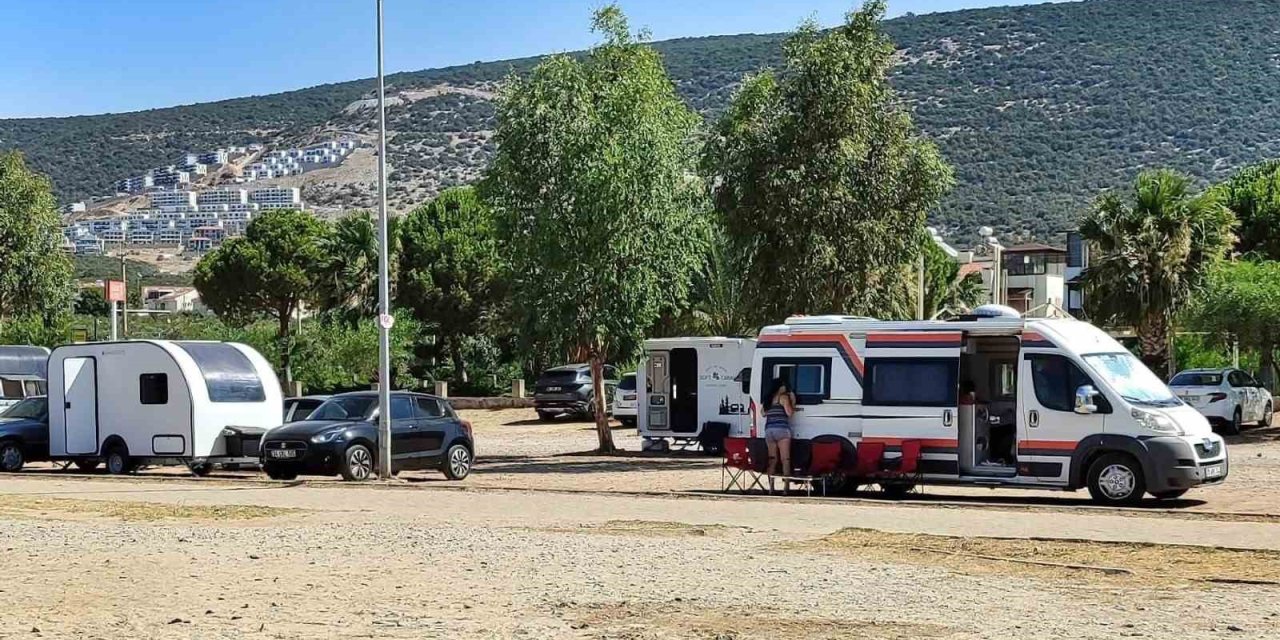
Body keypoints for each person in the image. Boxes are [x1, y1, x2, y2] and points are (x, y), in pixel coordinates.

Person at [764, 378, 796, 479]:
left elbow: (762, 413)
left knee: (772, 459)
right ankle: (786, 489)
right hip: (781, 429)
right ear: (781, 387)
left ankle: (771, 488)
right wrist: (793, 401)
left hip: (769, 430)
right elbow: (789, 413)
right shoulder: (783, 397)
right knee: (785, 459)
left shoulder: (768, 399)